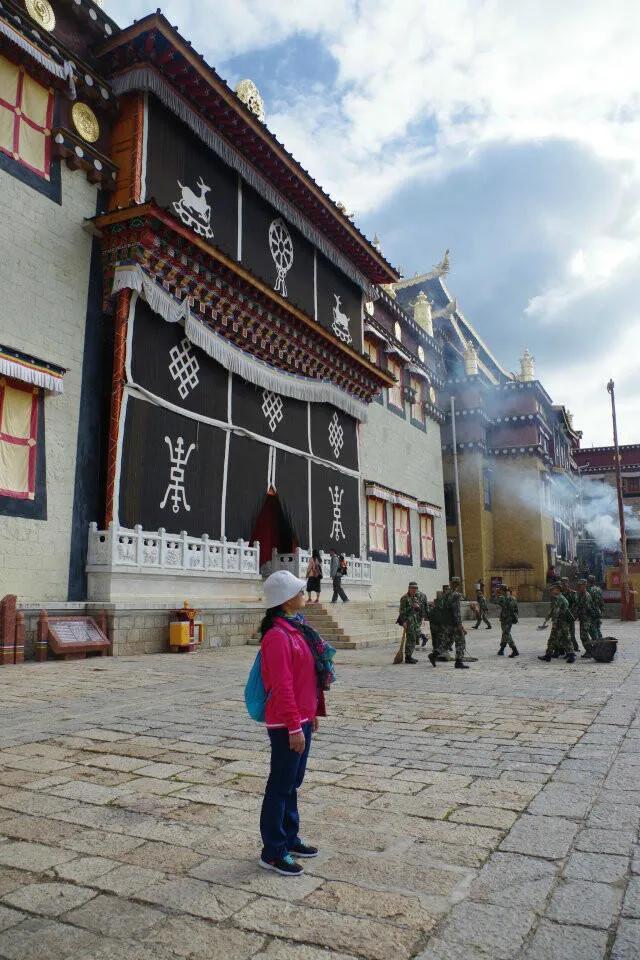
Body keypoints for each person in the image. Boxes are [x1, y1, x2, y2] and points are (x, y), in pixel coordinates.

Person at [258, 570, 326, 876]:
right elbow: (282, 685)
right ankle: (273, 850)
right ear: (286, 601)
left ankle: (289, 836)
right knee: (281, 783)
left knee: (292, 782)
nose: (303, 595)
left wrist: (310, 714)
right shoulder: (277, 636)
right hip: (286, 724)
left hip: (301, 719)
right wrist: (294, 726)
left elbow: (305, 679)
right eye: (299, 592)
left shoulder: (297, 630)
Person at [539, 583, 575, 663]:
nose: (552, 590)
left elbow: (556, 612)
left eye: (554, 589)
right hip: (559, 622)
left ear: (558, 590)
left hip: (561, 623)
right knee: (555, 639)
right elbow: (553, 610)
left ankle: (571, 655)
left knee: (565, 638)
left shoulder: (560, 599)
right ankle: (548, 655)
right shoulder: (557, 598)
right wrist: (547, 617)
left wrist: (554, 623)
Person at [399, 581, 428, 664]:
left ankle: (410, 655)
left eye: (416, 588)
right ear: (409, 588)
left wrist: (417, 608)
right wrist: (404, 621)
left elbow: (417, 609)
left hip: (415, 620)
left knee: (413, 638)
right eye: (413, 588)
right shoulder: (404, 598)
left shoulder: (415, 598)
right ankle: (408, 657)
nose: (414, 590)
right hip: (408, 621)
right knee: (410, 638)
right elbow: (402, 611)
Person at [446, 577, 469, 669]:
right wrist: (460, 625)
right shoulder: (455, 595)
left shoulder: (447, 593)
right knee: (461, 641)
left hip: (448, 621)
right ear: (458, 584)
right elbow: (456, 611)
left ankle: (434, 655)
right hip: (455, 622)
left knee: (448, 641)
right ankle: (458, 662)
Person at [575, 579, 596, 658]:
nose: (579, 587)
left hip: (586, 618)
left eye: (580, 585)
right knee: (584, 635)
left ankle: (590, 651)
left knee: (584, 635)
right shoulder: (580, 594)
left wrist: (576, 614)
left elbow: (584, 608)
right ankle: (589, 650)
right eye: (578, 585)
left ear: (584, 586)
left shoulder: (586, 595)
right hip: (583, 618)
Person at [496, 584, 519, 657]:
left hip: (505, 618)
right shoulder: (513, 598)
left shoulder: (501, 598)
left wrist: (496, 594)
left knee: (506, 633)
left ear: (502, 590)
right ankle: (502, 649)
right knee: (505, 633)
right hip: (511, 618)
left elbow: (492, 601)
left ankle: (514, 649)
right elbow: (516, 609)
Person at [560, 577, 579, 652]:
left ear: (568, 583)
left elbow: (576, 605)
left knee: (571, 633)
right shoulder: (560, 593)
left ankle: (575, 647)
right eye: (562, 583)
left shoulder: (572, 593)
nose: (564, 584)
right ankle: (562, 648)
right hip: (562, 616)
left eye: (565, 582)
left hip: (570, 616)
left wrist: (573, 615)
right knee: (562, 633)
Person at [588, 575, 604, 639]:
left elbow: (588, 602)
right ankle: (601, 640)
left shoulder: (589, 590)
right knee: (598, 627)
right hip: (598, 610)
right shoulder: (598, 589)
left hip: (592, 611)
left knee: (592, 628)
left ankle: (597, 642)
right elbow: (601, 601)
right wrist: (602, 610)